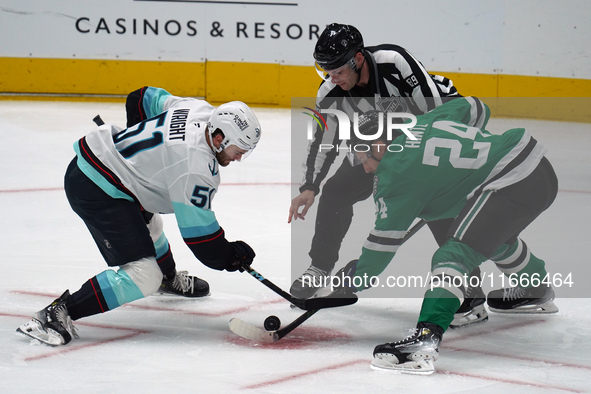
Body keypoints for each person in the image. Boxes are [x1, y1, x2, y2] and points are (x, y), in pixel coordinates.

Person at [16, 86, 262, 346]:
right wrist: (230, 256)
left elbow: (140, 98)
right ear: (218, 137)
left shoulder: (198, 110)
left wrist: (135, 160)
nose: (240, 157)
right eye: (238, 150)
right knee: (144, 276)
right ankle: (58, 312)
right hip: (96, 187)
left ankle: (167, 279)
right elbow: (202, 241)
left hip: (108, 174)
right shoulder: (196, 167)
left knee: (151, 224)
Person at [338, 96, 558, 374]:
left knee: (453, 254)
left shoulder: (394, 174)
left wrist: (353, 277)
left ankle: (425, 340)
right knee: (492, 239)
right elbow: (476, 106)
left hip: (511, 179)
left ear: (379, 145)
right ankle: (535, 289)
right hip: (539, 169)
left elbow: (381, 247)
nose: (366, 167)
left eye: (363, 157)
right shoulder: (425, 121)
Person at [288, 23, 486, 328]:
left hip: (439, 129)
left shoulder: (394, 64)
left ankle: (471, 292)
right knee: (336, 191)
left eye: (338, 70)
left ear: (357, 58)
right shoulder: (331, 91)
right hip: (381, 139)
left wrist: (394, 159)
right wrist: (310, 186)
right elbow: (323, 141)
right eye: (326, 71)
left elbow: (435, 118)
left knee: (434, 203)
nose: (332, 78)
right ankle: (320, 267)